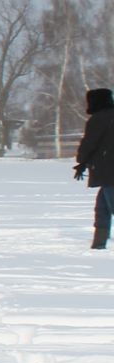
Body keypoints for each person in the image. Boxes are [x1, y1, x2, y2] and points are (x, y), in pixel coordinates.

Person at [74, 87, 114, 249]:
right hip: (108, 171)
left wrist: (81, 161)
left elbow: (89, 143)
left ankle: (99, 243)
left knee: (108, 205)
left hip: (108, 171)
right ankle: (99, 244)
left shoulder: (99, 119)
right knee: (102, 207)